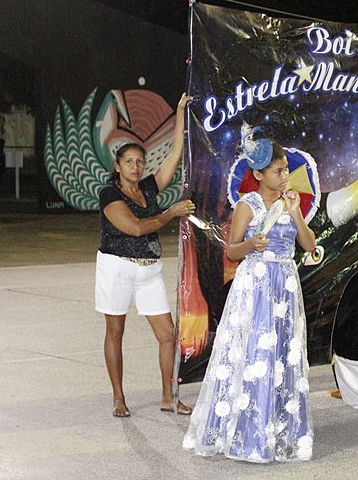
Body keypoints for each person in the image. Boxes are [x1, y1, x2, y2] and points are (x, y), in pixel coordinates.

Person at [184, 136, 317, 462]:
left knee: (283, 352)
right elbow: (232, 250)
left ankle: (282, 431)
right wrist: (251, 245)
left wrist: (296, 214)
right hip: (256, 284)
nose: (284, 176)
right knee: (255, 352)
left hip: (284, 284)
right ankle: (248, 433)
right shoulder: (248, 205)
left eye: (285, 170)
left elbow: (309, 244)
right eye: (277, 171)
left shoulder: (290, 202)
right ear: (258, 174)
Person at [95, 93, 195, 418]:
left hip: (149, 269)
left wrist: (179, 113)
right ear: (118, 166)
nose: (136, 167)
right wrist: (170, 213)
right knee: (115, 332)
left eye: (140, 161)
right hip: (116, 267)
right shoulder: (109, 194)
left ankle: (168, 397)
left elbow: (175, 154)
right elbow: (136, 228)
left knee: (168, 335)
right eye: (129, 162)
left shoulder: (149, 187)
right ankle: (118, 397)